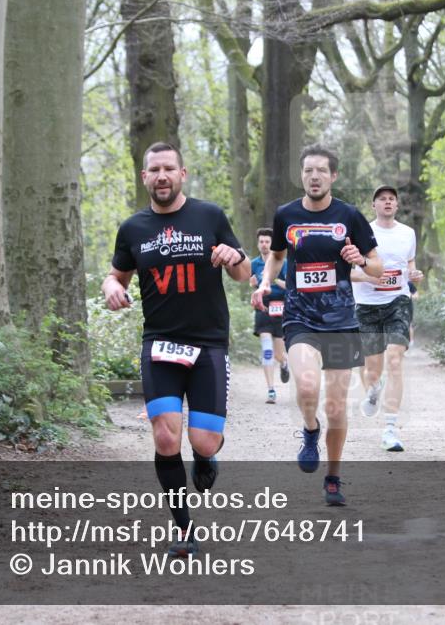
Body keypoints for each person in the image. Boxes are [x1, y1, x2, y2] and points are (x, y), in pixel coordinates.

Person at [102, 142, 250, 556]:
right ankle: (184, 530)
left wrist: (232, 254)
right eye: (155, 169)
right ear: (145, 177)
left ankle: (206, 458)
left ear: (182, 174)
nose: (162, 175)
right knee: (167, 437)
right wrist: (113, 287)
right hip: (160, 344)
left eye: (169, 168)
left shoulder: (209, 216)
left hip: (207, 344)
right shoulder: (133, 229)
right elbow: (116, 276)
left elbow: (241, 274)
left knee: (203, 441)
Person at [251, 143, 382, 506]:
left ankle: (334, 478)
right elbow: (276, 255)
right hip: (300, 318)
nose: (314, 176)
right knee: (308, 386)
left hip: (340, 320)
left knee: (337, 406)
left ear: (333, 176)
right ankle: (310, 429)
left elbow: (378, 268)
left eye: (321, 170)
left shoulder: (350, 216)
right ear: (302, 175)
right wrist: (265, 283)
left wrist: (360, 260)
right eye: (308, 170)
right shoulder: (286, 215)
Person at [352, 185, 423, 452]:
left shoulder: (408, 233)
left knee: (394, 359)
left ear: (397, 204)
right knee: (372, 370)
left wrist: (414, 274)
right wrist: (371, 276)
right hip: (367, 305)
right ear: (374, 206)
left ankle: (390, 429)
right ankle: (373, 389)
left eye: (392, 199)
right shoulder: (361, 233)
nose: (388, 202)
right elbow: (346, 272)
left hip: (398, 302)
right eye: (382, 199)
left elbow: (410, 265)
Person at [249, 228, 291, 403]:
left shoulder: (283, 262)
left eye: (267, 241)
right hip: (263, 308)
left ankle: (284, 364)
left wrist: (271, 279)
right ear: (258, 244)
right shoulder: (254, 264)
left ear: (272, 244)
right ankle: (271, 390)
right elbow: (253, 285)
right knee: (267, 349)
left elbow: (289, 285)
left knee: (279, 354)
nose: (264, 245)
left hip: (280, 307)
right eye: (262, 242)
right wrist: (254, 285)